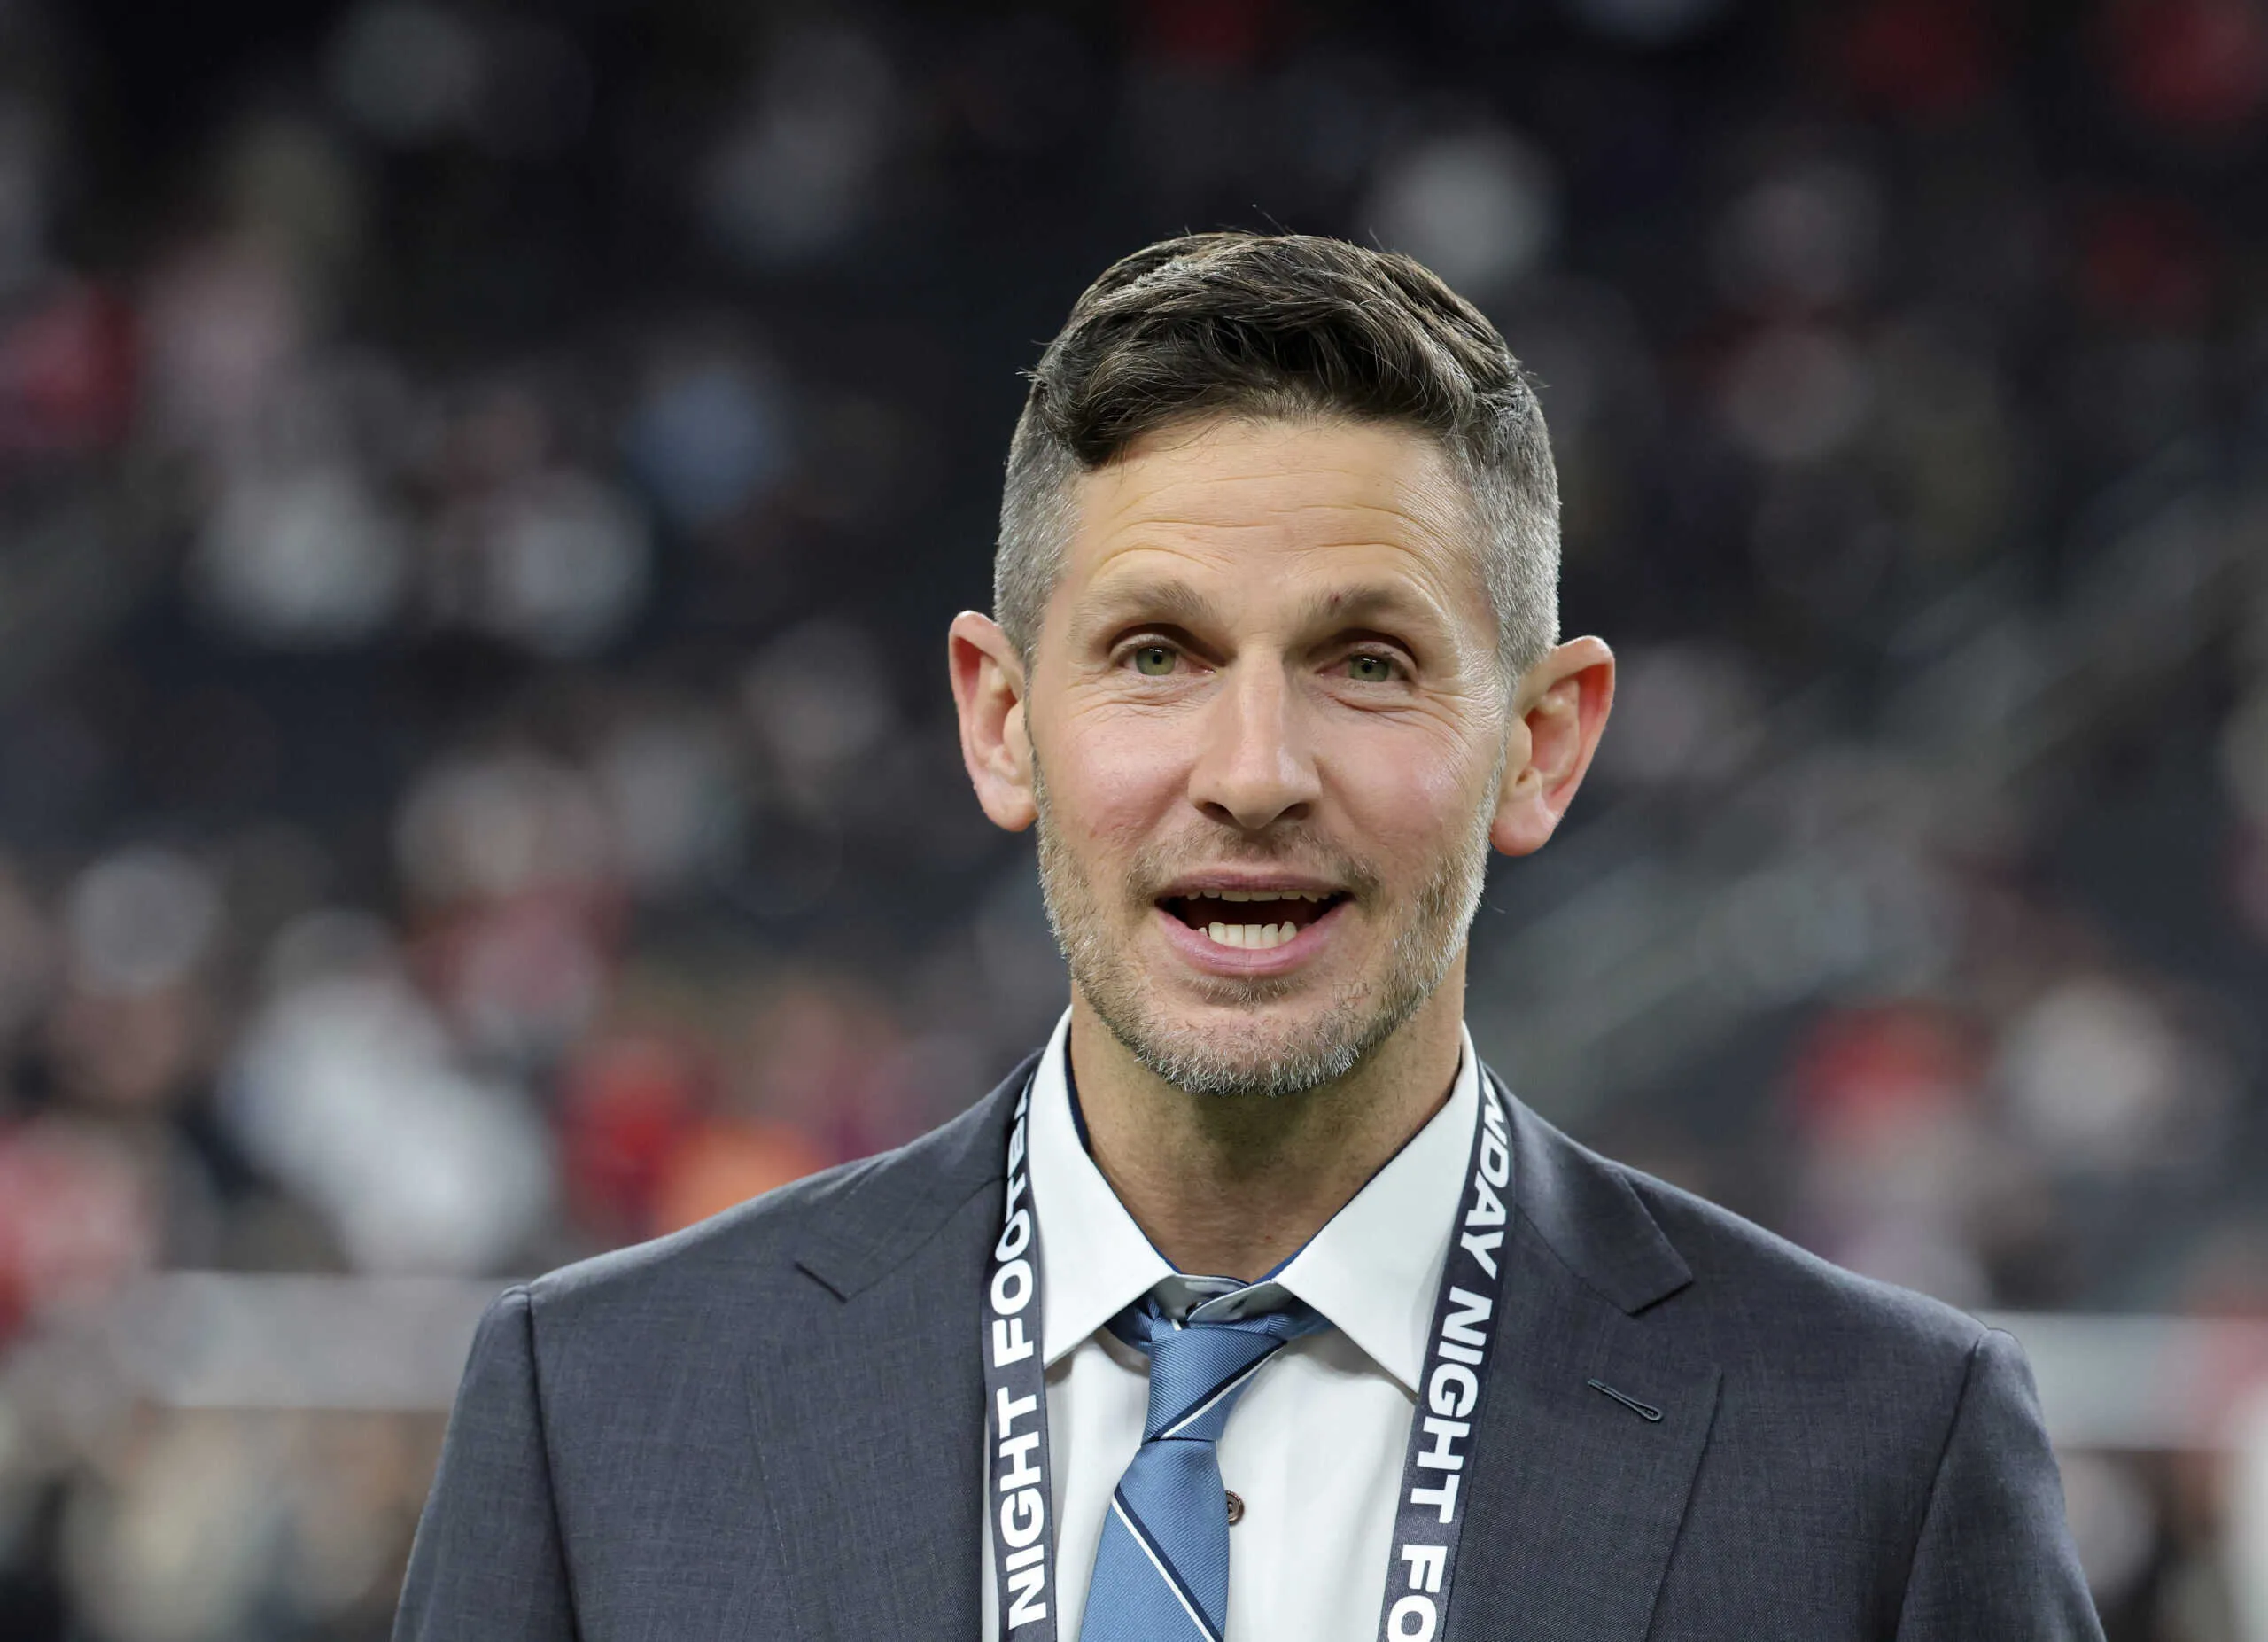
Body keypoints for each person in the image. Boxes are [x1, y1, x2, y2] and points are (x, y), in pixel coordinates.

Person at [394, 233, 2101, 1640]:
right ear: (1000, 722)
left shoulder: (1882, 1458)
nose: (1257, 773)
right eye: (1155, 653)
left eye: (1367, 660)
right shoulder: (602, 1414)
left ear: (1542, 743)